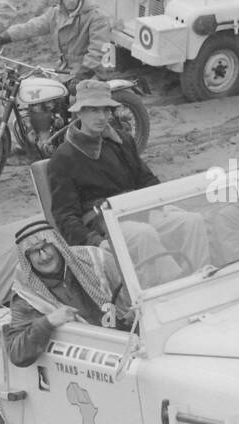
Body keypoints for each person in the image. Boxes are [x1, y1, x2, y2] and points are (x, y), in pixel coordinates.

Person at [49, 80, 209, 281]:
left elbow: (146, 179)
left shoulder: (123, 140)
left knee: (191, 221)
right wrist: (95, 241)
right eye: (93, 110)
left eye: (105, 110)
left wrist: (162, 204)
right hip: (102, 223)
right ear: (79, 113)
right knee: (143, 235)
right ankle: (176, 287)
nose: (101, 117)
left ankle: (202, 278)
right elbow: (65, 217)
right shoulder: (64, 158)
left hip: (137, 211)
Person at [3, 219, 126, 367]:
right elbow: (16, 354)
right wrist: (48, 322)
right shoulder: (26, 294)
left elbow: (132, 292)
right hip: (86, 362)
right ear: (27, 259)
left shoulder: (94, 259)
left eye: (46, 247)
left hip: (126, 343)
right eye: (35, 252)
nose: (44, 256)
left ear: (57, 245)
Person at [0, 0, 112, 81]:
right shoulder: (56, 14)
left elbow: (98, 50)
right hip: (65, 70)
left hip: (90, 72)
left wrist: (82, 74)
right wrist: (3, 38)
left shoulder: (96, 17)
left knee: (77, 107)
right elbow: (32, 27)